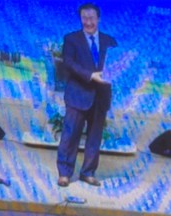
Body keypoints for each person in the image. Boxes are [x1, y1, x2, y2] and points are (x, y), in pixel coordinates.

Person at [56, 2, 117, 188]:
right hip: (77, 95)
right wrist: (90, 75)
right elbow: (69, 63)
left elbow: (116, 67)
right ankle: (64, 173)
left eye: (91, 18)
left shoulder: (110, 41)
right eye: (84, 18)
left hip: (101, 97)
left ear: (98, 18)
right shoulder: (71, 39)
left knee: (94, 137)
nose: (88, 22)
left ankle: (88, 173)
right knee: (70, 135)